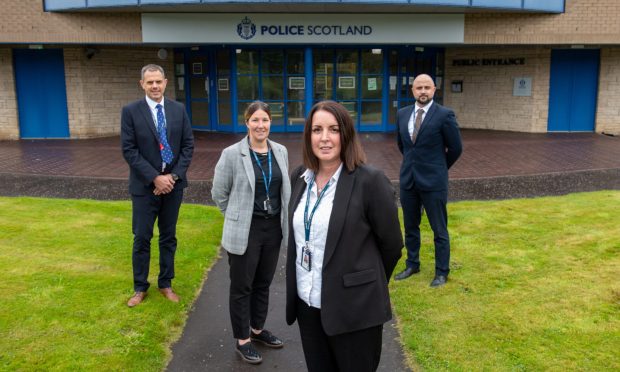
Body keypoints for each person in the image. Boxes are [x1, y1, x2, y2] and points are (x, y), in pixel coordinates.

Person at [285, 100, 403, 372]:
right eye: (317, 130)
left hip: (355, 310)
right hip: (308, 305)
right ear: (308, 135)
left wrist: (362, 282)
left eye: (333, 129)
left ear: (346, 134)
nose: (324, 138)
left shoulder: (369, 181)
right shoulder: (299, 177)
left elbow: (392, 245)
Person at [211, 101, 291, 365]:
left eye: (265, 120)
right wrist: (236, 215)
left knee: (263, 283)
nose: (260, 125)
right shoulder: (232, 153)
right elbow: (219, 194)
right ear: (246, 122)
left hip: (273, 229)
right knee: (242, 286)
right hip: (247, 228)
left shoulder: (280, 151)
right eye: (255, 120)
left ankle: (257, 330)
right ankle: (242, 340)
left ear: (271, 122)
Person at [121, 64, 194, 307]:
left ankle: (166, 283)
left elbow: (187, 147)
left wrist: (171, 178)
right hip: (144, 187)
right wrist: (155, 178)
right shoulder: (131, 111)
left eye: (158, 81)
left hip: (173, 186)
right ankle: (140, 287)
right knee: (142, 237)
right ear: (142, 84)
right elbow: (129, 150)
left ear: (165, 82)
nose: (155, 86)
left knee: (168, 236)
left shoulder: (178, 109)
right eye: (150, 82)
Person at [394, 74, 463, 287]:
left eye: (427, 87)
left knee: (439, 229)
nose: (423, 91)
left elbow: (456, 148)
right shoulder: (402, 114)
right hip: (408, 181)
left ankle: (442, 272)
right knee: (410, 226)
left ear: (434, 89)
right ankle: (412, 264)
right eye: (418, 88)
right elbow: (403, 146)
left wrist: (440, 168)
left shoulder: (444, 115)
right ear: (413, 90)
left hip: (434, 182)